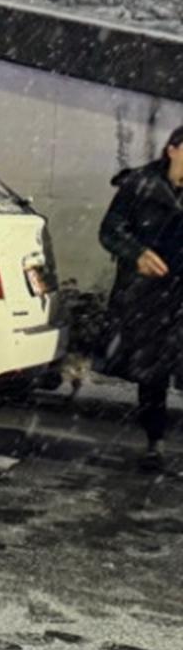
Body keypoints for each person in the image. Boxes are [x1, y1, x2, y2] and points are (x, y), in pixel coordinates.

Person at [97, 125, 183, 472]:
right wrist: (136, 253)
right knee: (152, 374)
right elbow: (110, 230)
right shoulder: (140, 185)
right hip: (149, 297)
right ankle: (155, 443)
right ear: (173, 150)